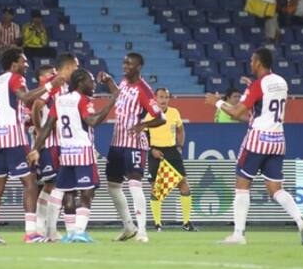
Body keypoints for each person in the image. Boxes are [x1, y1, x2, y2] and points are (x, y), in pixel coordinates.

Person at [205, 48, 303, 245]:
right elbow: (264, 105)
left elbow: (236, 112)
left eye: (252, 60)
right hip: (278, 140)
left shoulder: (258, 85)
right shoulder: (281, 82)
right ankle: (302, 222)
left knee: (242, 185)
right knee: (275, 189)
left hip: (258, 140)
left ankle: (238, 235)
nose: (250, 63)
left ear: (258, 63)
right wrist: (252, 90)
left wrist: (217, 102)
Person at [0, 47, 65, 244]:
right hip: (14, 137)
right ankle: (31, 233)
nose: (26, 65)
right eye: (23, 61)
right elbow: (26, 98)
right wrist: (50, 86)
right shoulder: (16, 78)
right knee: (31, 184)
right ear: (13, 64)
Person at [28, 68, 119, 243]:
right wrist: (111, 101)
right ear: (80, 83)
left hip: (66, 153)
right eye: (90, 81)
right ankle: (78, 231)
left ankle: (69, 234)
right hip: (83, 152)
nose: (93, 84)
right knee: (87, 192)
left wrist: (36, 148)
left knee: (68, 192)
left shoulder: (60, 100)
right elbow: (92, 121)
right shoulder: (83, 100)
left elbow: (47, 126)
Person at [106, 52, 166, 243]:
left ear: (138, 67)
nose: (125, 66)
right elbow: (118, 96)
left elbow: (161, 118)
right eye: (124, 63)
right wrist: (109, 82)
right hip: (117, 142)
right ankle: (128, 227)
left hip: (133, 144)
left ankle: (142, 231)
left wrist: (144, 125)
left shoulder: (144, 89)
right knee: (113, 185)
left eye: (129, 64)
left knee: (134, 184)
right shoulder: (124, 83)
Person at [30, 53, 79, 240]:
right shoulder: (54, 83)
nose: (77, 70)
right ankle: (47, 230)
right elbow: (36, 105)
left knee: (51, 186)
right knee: (55, 185)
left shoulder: (67, 86)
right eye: (75, 67)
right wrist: (39, 129)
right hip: (51, 143)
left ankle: (43, 228)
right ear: (68, 67)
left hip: (63, 143)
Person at [145, 87, 196, 232]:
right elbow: (143, 135)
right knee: (155, 187)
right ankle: (157, 224)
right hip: (155, 151)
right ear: (155, 98)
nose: (164, 100)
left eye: (166, 97)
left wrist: (179, 147)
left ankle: (186, 223)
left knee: (183, 183)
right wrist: (151, 149)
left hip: (172, 151)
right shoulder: (149, 114)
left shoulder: (174, 112)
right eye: (161, 97)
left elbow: (180, 130)